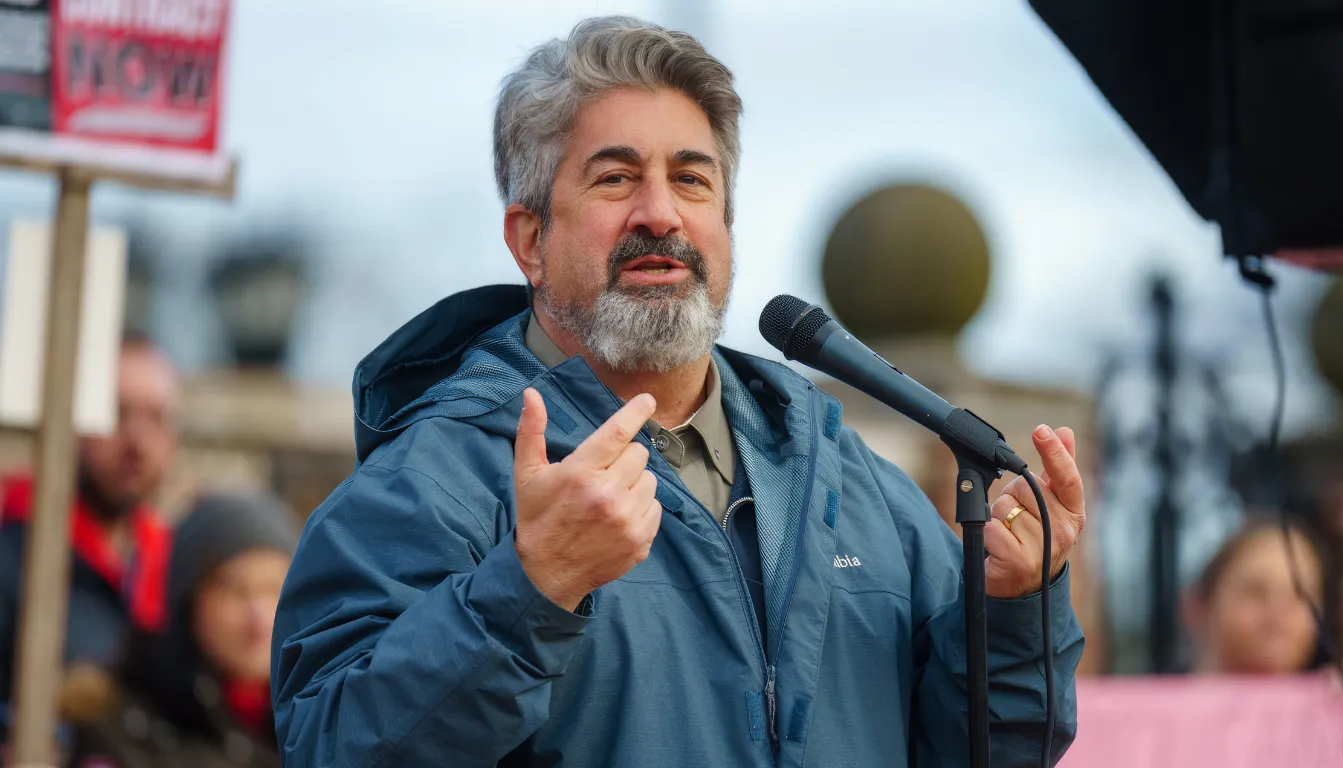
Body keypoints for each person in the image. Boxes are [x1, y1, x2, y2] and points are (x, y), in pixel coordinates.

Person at [271, 16, 1087, 767]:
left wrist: (1016, 611)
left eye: (692, 181)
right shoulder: (428, 485)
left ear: (726, 227)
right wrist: (531, 590)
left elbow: (983, 750)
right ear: (530, 239)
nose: (659, 213)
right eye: (616, 178)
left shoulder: (851, 478)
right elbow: (334, 747)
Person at [0, 334, 181, 709]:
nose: (138, 441)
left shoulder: (177, 562)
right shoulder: (13, 554)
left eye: (157, 418)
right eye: (116, 413)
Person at [64, 491, 298, 768]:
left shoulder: (322, 711)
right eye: (235, 590)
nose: (260, 617)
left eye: (276, 589)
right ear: (189, 601)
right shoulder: (121, 718)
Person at [1185, 516, 1325, 675]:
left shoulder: (1341, 695)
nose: (1279, 613)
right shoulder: (1155, 698)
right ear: (1197, 606)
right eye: (1256, 593)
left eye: (1301, 595)